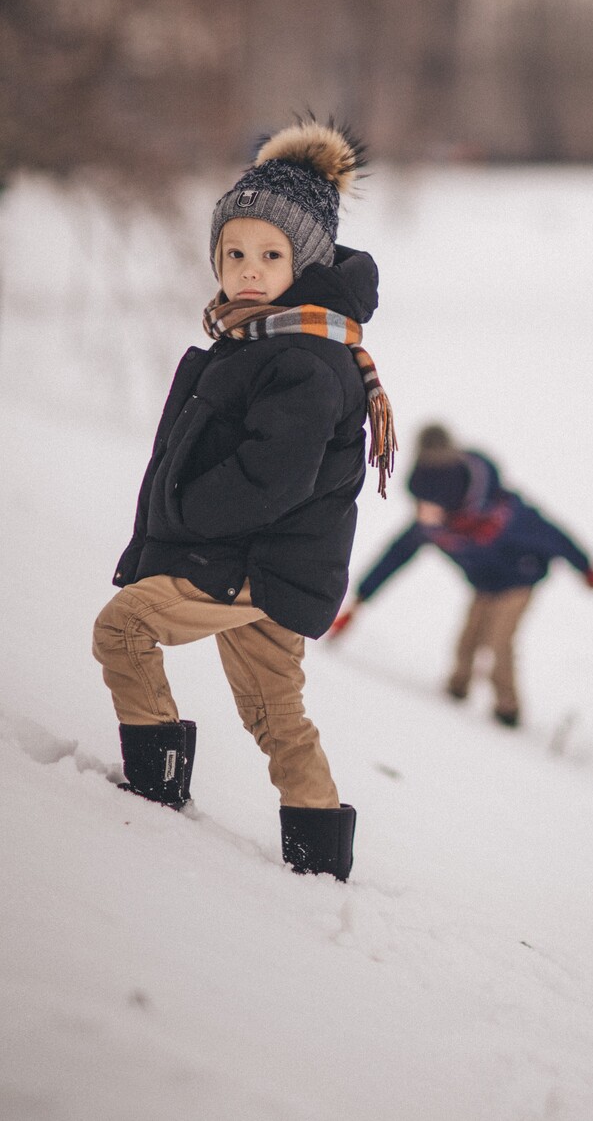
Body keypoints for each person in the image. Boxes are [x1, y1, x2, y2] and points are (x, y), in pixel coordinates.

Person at [92, 120, 396, 880]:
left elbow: (274, 478)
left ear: (307, 261)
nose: (249, 271)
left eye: (271, 255)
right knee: (274, 713)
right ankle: (319, 855)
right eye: (234, 254)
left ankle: (153, 793)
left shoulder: (303, 358)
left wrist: (186, 514)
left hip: (248, 562)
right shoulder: (262, 342)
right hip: (273, 567)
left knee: (123, 630)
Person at [330, 425, 593, 727]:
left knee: (498, 643)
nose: (425, 517)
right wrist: (360, 600)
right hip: (484, 583)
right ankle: (456, 691)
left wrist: (585, 566)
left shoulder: (502, 515)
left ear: (451, 500)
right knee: (468, 640)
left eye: (431, 509)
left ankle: (507, 709)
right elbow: (396, 556)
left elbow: (551, 535)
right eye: (420, 508)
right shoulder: (430, 524)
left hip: (520, 579)